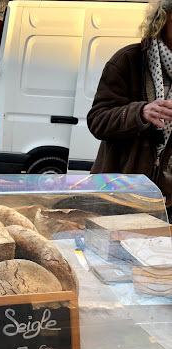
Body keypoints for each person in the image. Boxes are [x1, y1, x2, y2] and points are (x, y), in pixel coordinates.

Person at [87, 0, 172, 220]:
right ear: (164, 18)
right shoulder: (129, 60)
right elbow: (97, 121)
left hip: (167, 202)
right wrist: (140, 113)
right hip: (118, 195)